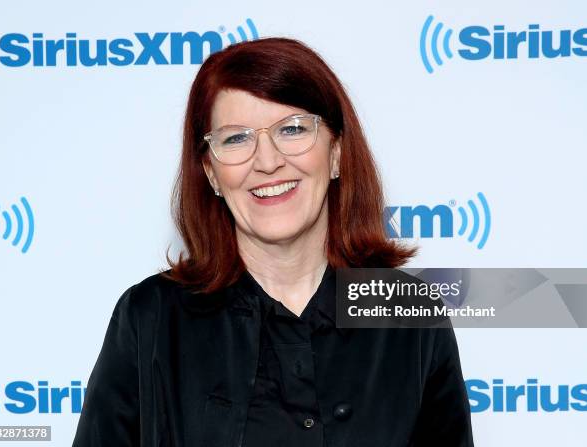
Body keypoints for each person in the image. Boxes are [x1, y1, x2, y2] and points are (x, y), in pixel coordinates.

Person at [72, 37, 474, 447]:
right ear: (211, 173)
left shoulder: (409, 316)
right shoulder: (151, 319)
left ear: (335, 152)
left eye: (293, 129)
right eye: (236, 138)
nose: (267, 162)